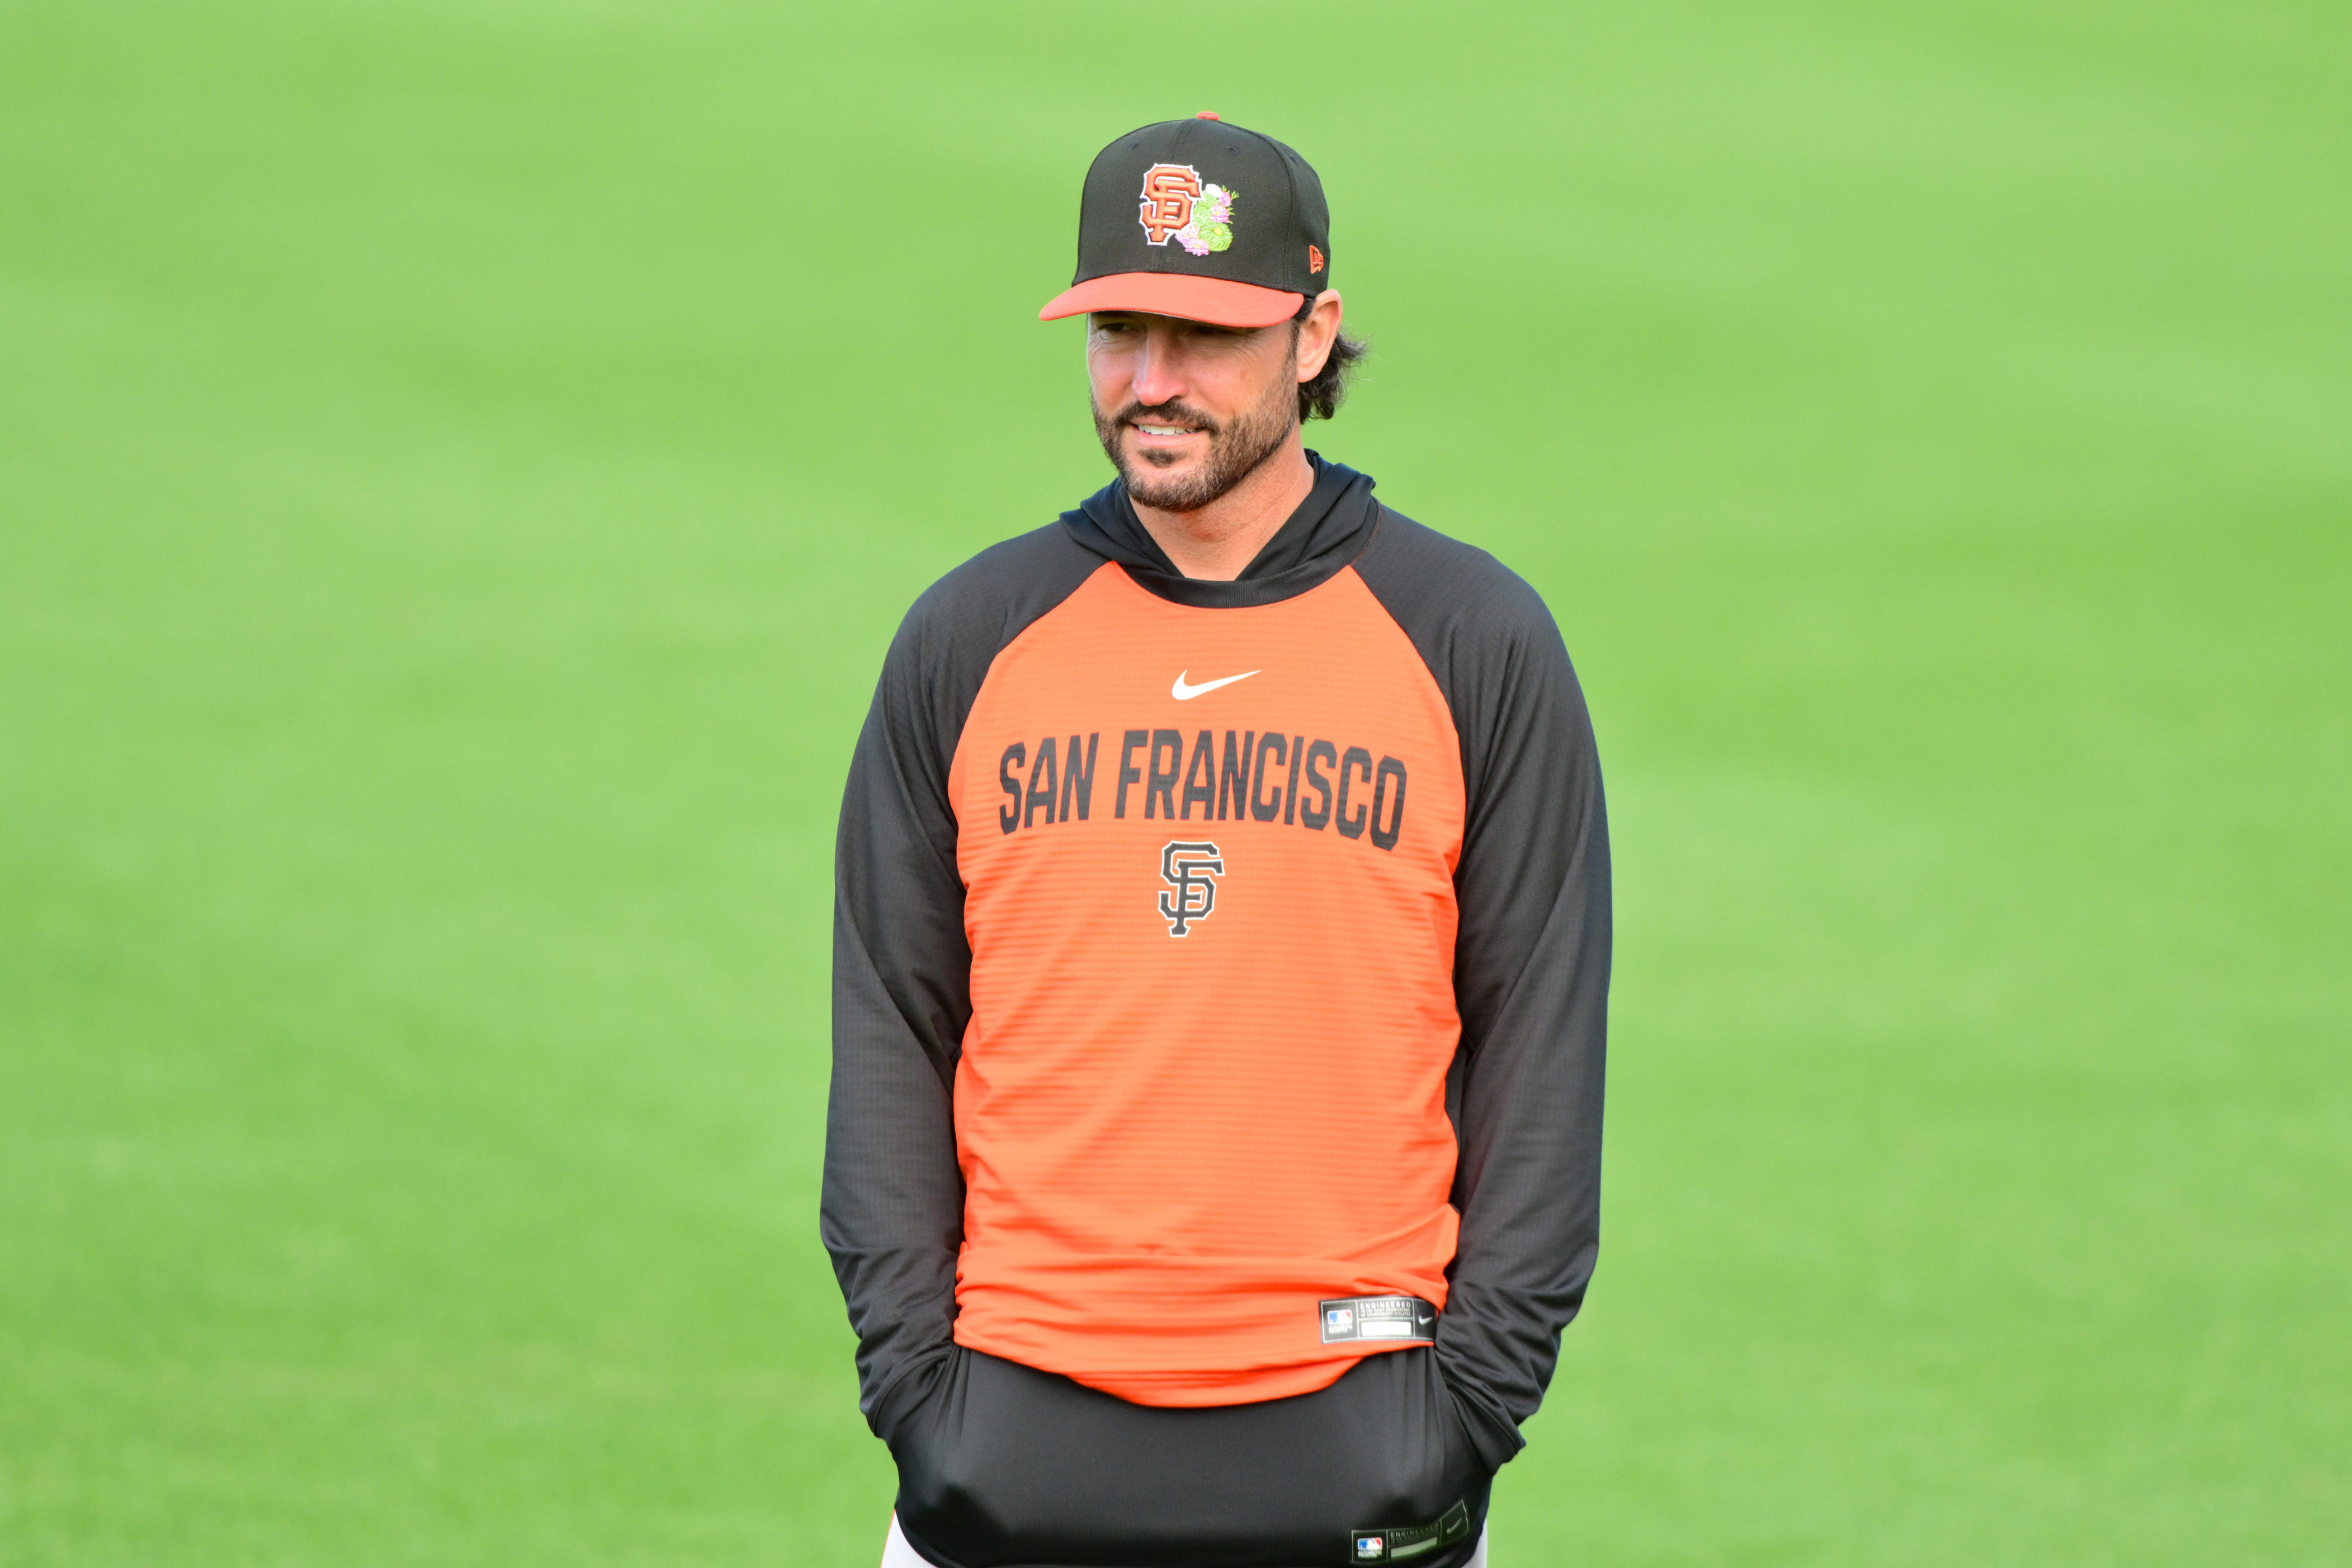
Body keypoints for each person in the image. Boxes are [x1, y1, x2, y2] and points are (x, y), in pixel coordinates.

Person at [824, 114, 1610, 1568]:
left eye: (1205, 334)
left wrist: (1465, 1415)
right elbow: (891, 1030)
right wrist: (918, 1398)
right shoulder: (970, 641)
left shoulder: (1471, 642)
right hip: (1005, 1443)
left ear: (1314, 336)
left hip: (1357, 1429)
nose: (1153, 382)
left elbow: (1541, 1057)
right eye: (1120, 330)